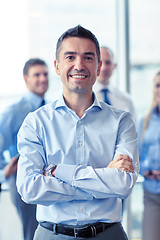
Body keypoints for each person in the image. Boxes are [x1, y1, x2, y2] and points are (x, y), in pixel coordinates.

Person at [17, 25, 139, 240]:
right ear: (57, 66)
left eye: (88, 58)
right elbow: (29, 189)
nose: (79, 65)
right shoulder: (35, 123)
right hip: (51, 234)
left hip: (108, 234)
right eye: (70, 57)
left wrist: (58, 171)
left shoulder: (122, 121)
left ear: (99, 67)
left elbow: (123, 184)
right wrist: (102, 178)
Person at [0, 58, 49, 240]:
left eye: (45, 74)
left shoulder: (52, 109)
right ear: (26, 79)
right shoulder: (13, 111)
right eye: (37, 75)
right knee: (32, 233)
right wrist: (5, 170)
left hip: (50, 181)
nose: (43, 79)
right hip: (24, 181)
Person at [138, 71, 160, 240]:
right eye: (158, 85)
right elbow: (136, 157)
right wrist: (147, 171)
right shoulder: (143, 122)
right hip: (152, 193)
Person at [93, 46, 137, 122]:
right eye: (99, 62)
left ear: (114, 66)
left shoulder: (126, 99)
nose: (103, 68)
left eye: (108, 62)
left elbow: (134, 129)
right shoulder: (83, 98)